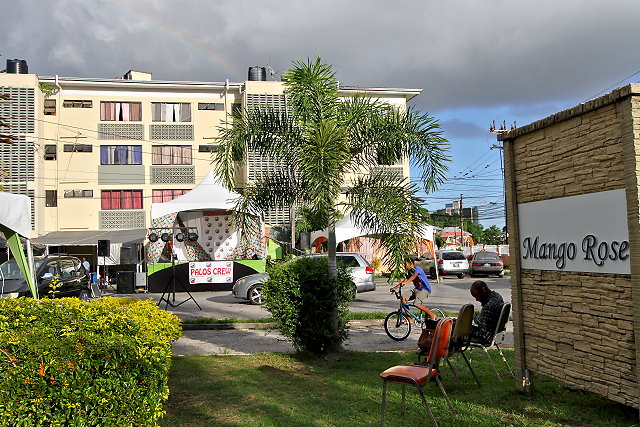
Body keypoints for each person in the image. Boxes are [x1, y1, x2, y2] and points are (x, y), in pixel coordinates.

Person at [470, 280, 504, 344]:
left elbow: (484, 335)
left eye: (478, 296)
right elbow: (485, 322)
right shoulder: (497, 296)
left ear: (484, 291)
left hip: (486, 338)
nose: (477, 299)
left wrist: (465, 330)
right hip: (493, 332)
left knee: (455, 331)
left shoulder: (489, 306)